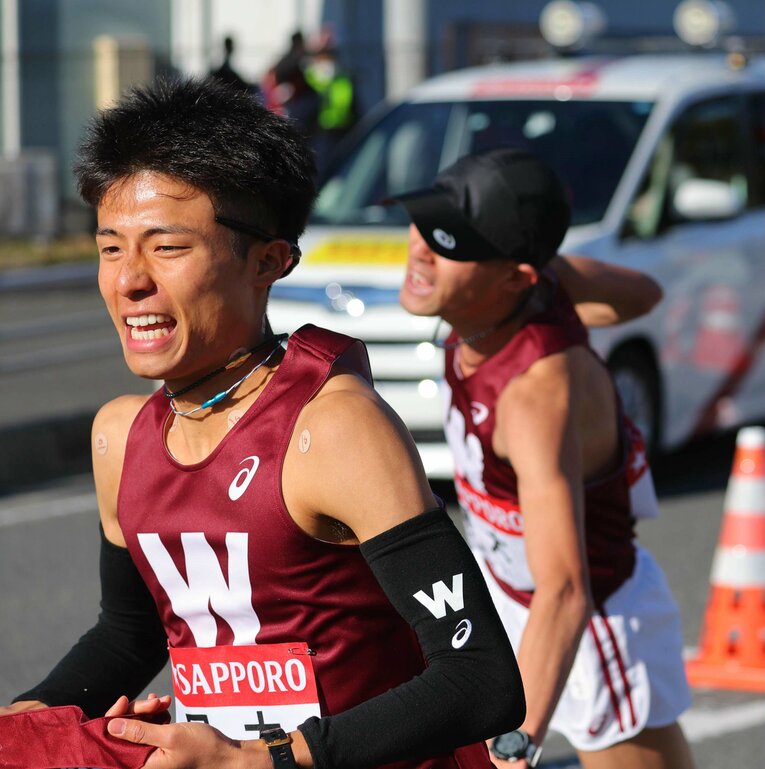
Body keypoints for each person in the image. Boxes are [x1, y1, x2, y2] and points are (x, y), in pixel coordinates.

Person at [0, 79, 526, 769]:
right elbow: (129, 637)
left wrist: (262, 757)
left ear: (269, 261)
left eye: (166, 248)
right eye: (109, 248)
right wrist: (27, 719)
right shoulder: (119, 436)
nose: (129, 281)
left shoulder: (332, 428)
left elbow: (481, 678)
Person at [395, 149, 696, 769]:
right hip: (505, 590)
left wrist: (518, 737)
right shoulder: (533, 288)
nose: (421, 249)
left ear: (513, 277)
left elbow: (565, 589)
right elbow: (642, 293)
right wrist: (556, 284)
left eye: (450, 240)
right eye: (424, 222)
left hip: (590, 623)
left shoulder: (536, 395)